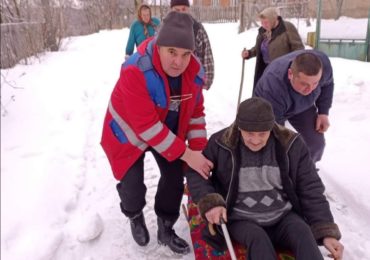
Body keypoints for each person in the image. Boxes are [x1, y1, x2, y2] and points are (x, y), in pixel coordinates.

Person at [101, 11, 213, 255]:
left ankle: (166, 225)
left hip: (167, 131)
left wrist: (197, 151)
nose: (178, 62)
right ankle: (134, 214)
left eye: (185, 54)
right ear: (158, 45)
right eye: (171, 52)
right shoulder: (135, 70)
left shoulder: (193, 72)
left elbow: (196, 113)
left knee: (174, 179)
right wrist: (187, 153)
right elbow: (146, 127)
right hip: (129, 135)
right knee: (132, 189)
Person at [186, 97, 344, 260]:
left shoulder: (291, 143)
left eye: (262, 133)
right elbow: (196, 173)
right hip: (240, 217)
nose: (255, 140)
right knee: (258, 239)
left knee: (302, 232)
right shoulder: (221, 142)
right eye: (249, 133)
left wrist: (327, 232)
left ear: (272, 127)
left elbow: (310, 187)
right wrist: (211, 203)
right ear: (239, 127)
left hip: (283, 215)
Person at [254, 49, 333, 163]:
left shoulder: (323, 64)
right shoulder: (272, 87)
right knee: (271, 147)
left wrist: (323, 112)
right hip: (271, 106)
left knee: (316, 144)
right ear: (290, 74)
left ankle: (307, 169)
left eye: (315, 83)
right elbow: (278, 132)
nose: (310, 90)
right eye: (304, 84)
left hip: (301, 105)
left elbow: (327, 84)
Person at [241, 7, 304, 90]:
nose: (263, 25)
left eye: (266, 22)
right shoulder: (263, 31)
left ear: (273, 20)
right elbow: (259, 48)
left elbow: (299, 49)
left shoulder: (287, 28)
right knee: (264, 92)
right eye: (262, 22)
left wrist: (292, 67)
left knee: (278, 94)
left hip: (283, 71)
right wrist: (249, 53)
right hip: (265, 70)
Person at [170, 0, 215, 90]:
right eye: (177, 10)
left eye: (184, 9)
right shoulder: (165, 29)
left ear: (188, 9)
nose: (181, 13)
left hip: (192, 80)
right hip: (170, 81)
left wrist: (207, 79)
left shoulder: (197, 28)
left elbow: (206, 53)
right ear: (171, 10)